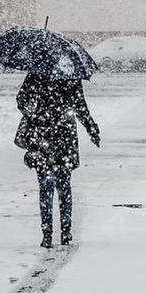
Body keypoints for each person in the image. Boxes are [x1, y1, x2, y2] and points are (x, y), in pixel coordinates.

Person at [16, 73, 100, 248]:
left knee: (46, 186)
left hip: (41, 135)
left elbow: (21, 100)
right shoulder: (71, 76)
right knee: (63, 186)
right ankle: (65, 231)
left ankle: (47, 232)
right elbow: (80, 106)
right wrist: (91, 128)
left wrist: (35, 113)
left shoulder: (36, 74)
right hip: (64, 137)